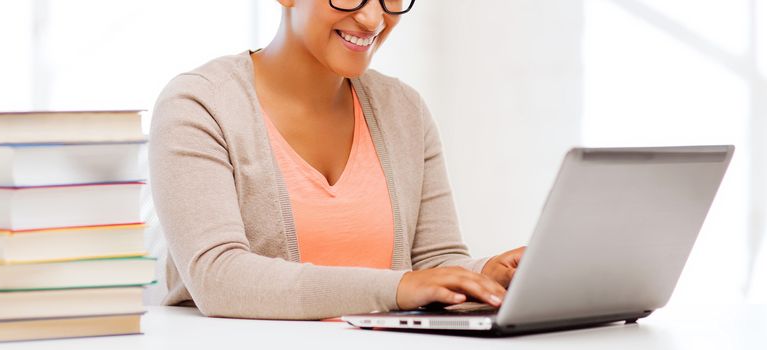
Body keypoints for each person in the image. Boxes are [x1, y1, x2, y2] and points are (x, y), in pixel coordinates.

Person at [148, 0, 525, 320]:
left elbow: (434, 262)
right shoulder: (200, 105)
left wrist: (483, 274)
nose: (373, 19)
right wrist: (397, 287)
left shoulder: (405, 110)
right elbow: (217, 278)